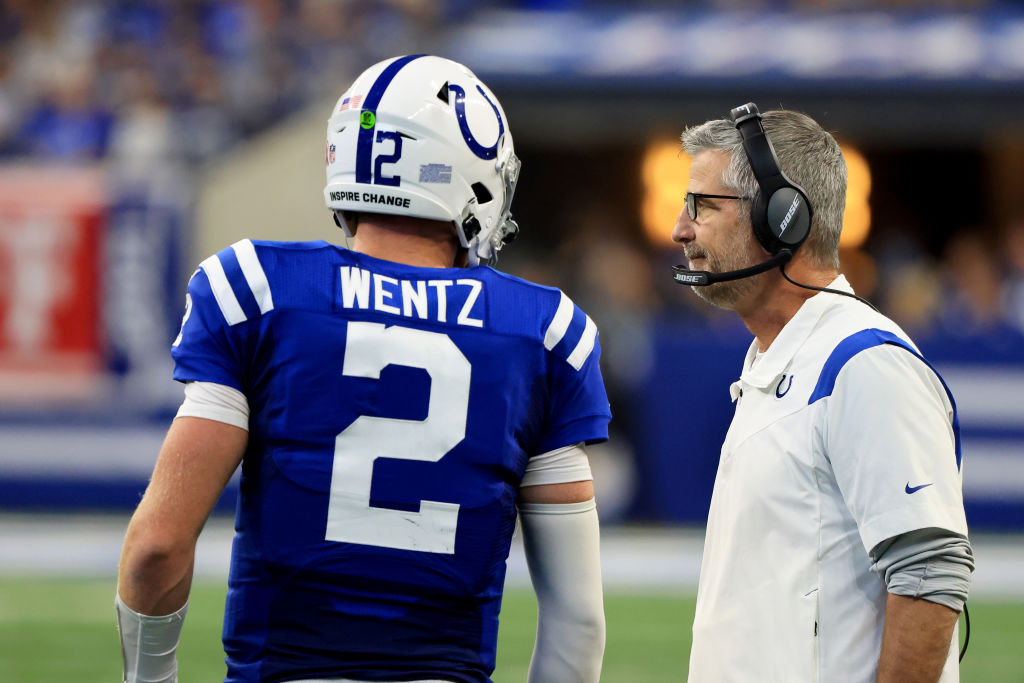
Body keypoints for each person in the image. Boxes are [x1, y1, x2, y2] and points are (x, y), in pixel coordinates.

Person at [116, 55, 610, 683]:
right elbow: (579, 622)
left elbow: (157, 547)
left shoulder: (262, 289)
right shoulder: (542, 330)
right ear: (468, 177)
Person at [670, 103, 973, 682]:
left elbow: (930, 574)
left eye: (703, 206)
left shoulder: (864, 363)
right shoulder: (781, 357)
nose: (681, 229)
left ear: (781, 217)